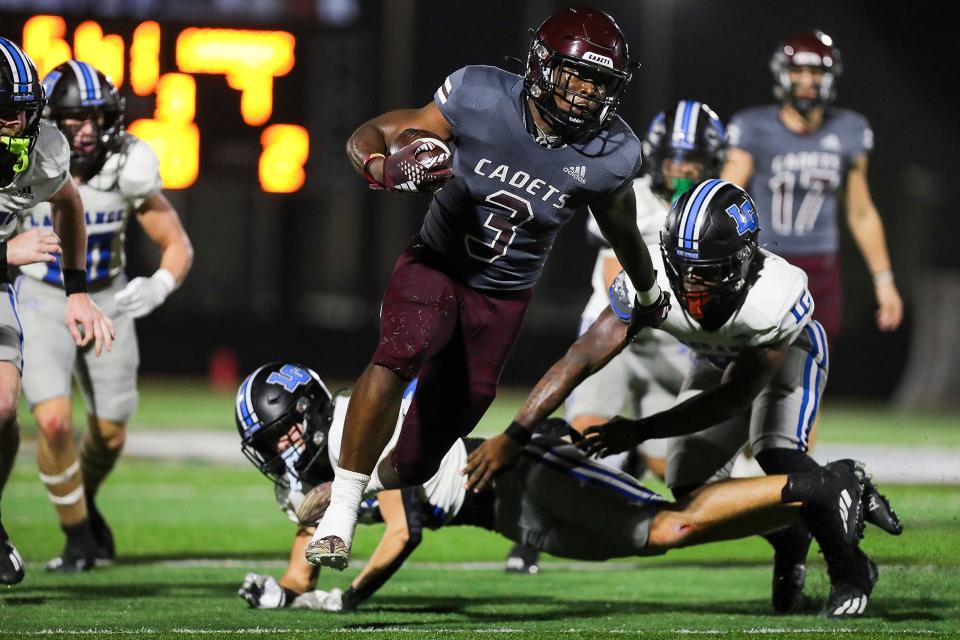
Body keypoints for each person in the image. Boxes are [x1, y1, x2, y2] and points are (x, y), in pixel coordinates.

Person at [307, 6, 671, 571]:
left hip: (501, 297)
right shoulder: (479, 95)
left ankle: (358, 485)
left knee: (433, 445)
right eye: (576, 74)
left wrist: (648, 290)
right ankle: (342, 508)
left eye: (599, 81)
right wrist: (380, 169)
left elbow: (623, 227)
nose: (584, 92)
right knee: (405, 345)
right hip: (437, 263)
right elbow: (374, 132)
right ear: (542, 65)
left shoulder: (611, 154)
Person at [464, 180, 902, 616]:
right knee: (690, 485)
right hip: (714, 362)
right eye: (682, 266)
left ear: (743, 261)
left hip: (789, 356)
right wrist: (516, 433)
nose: (691, 283)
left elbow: (735, 398)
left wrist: (641, 430)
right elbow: (581, 357)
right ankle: (788, 533)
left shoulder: (774, 299)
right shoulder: (649, 276)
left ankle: (851, 569)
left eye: (706, 271)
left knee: (778, 455)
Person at [235, 362, 883, 616]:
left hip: (524, 475)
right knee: (661, 535)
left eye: (284, 434)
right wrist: (285, 592)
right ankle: (788, 521)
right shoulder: (312, 475)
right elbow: (308, 531)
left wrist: (345, 599)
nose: (281, 451)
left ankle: (822, 485)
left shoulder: (356, 427)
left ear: (313, 412)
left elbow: (403, 532)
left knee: (668, 523)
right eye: (269, 444)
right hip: (510, 515)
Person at [505, 99, 727, 574]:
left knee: (680, 471)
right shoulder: (636, 198)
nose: (684, 170)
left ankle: (637, 461)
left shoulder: (716, 208)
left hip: (674, 348)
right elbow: (616, 285)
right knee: (579, 440)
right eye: (675, 159)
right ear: (657, 157)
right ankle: (527, 539)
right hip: (617, 339)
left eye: (694, 161)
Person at [17, 60, 193, 572]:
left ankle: (83, 498)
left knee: (111, 431)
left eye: (97, 117)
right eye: (74, 119)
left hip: (106, 298)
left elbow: (176, 242)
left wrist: (161, 284)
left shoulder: (127, 164)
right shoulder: (25, 157)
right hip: (43, 295)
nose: (88, 130)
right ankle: (77, 537)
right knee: (52, 421)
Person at [0, 38, 115, 586]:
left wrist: (75, 289)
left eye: (26, 110)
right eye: (6, 112)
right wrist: (5, 251)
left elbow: (67, 203)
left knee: (2, 406)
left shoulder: (41, 143)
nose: (18, 122)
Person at [721, 30, 902, 342]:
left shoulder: (850, 129)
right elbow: (724, 198)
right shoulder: (753, 127)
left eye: (815, 72)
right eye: (797, 71)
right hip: (766, 262)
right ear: (782, 74)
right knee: (757, 361)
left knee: (815, 360)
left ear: (830, 76)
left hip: (821, 268)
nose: (806, 81)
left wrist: (884, 280)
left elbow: (860, 212)